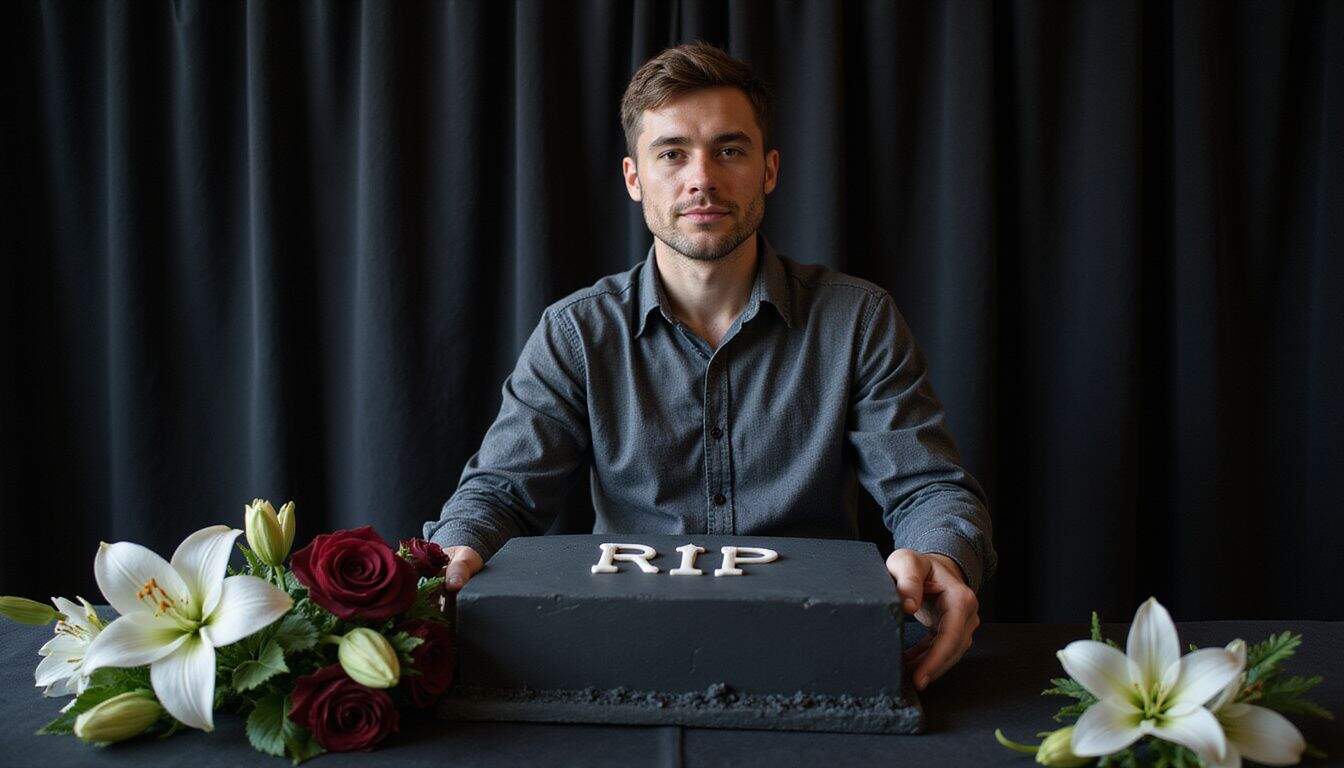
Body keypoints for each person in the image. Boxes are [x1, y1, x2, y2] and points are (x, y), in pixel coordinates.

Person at [423, 42, 996, 692]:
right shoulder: (576, 332)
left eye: (729, 150)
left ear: (769, 169)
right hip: (624, 654)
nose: (702, 178)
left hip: (813, 655)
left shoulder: (858, 319)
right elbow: (502, 493)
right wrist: (455, 549)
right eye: (672, 154)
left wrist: (944, 558)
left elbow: (927, 489)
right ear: (634, 178)